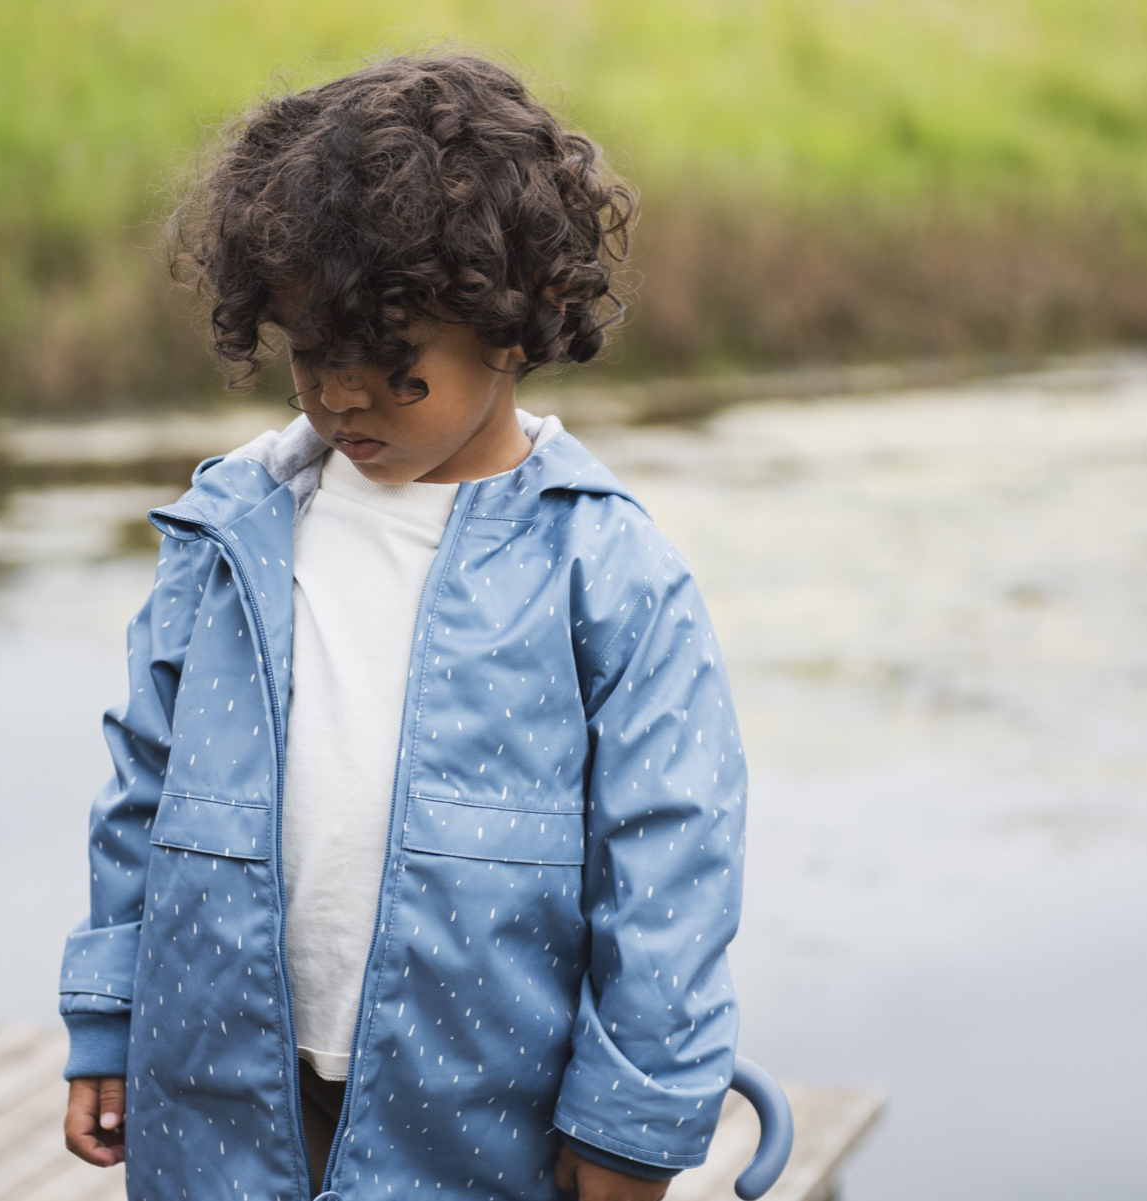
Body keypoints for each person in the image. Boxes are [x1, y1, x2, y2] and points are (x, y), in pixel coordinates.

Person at [60, 51, 747, 1201]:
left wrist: (633, 1121)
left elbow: (671, 866)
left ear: (518, 323)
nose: (340, 395)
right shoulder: (230, 528)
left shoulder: (605, 567)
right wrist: (105, 1008)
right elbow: (142, 782)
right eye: (308, 354)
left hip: (482, 1122)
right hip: (217, 1101)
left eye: (391, 361)